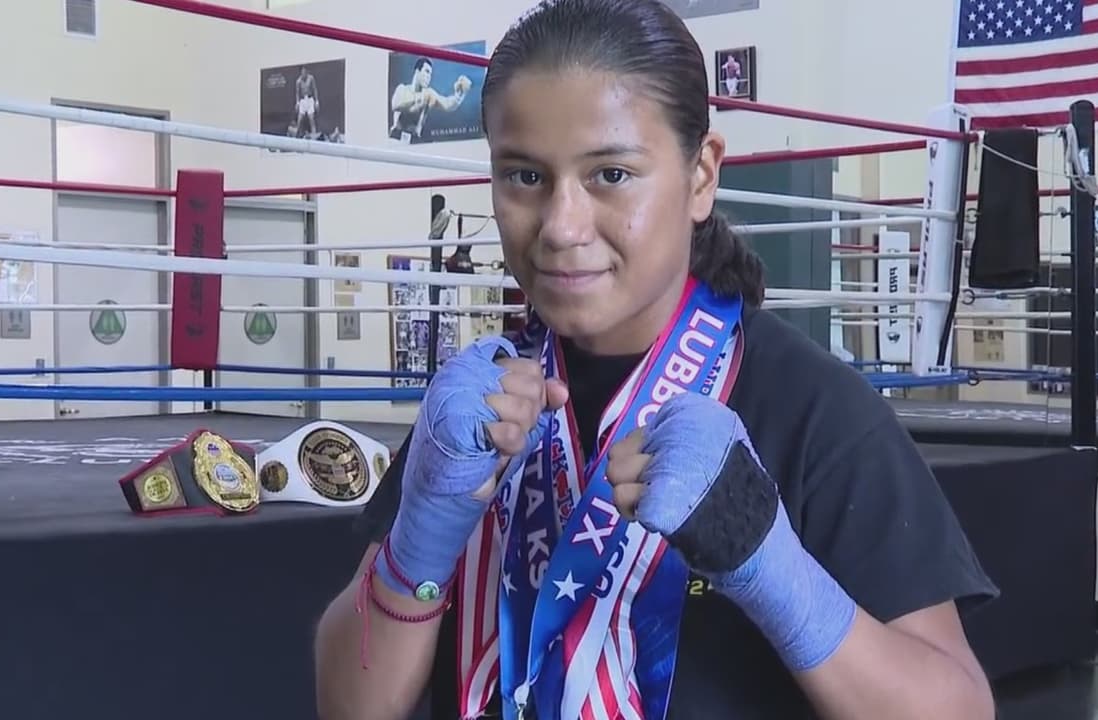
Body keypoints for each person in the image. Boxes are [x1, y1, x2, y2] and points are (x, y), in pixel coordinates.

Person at [314, 1, 998, 719]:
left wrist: (777, 572)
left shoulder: (811, 408)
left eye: (610, 174)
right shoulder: (477, 406)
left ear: (701, 175)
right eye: (523, 176)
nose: (561, 226)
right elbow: (347, 706)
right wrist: (417, 541)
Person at [389, 56, 473, 143]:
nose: (429, 77)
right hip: (396, 137)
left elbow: (448, 105)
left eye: (430, 74)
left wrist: (459, 94)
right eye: (427, 72)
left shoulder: (429, 93)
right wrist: (419, 98)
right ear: (417, 71)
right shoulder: (402, 89)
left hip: (415, 140)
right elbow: (395, 105)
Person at [293, 65, 320, 139]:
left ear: (306, 71)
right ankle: (297, 137)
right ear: (300, 72)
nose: (303, 73)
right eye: (302, 72)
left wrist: (316, 101)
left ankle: (314, 137)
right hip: (302, 101)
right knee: (299, 120)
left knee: (311, 119)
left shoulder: (311, 78)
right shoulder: (298, 81)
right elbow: (297, 93)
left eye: (305, 71)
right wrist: (297, 102)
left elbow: (314, 89)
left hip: (310, 99)